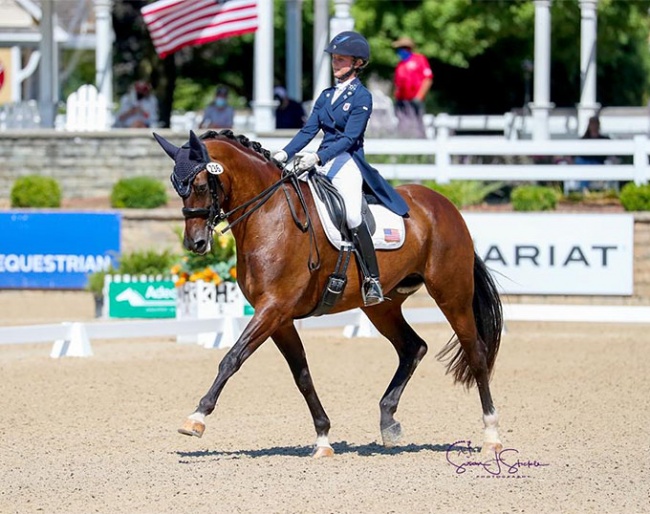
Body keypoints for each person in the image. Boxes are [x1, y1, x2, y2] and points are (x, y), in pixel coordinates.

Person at [272, 31, 409, 307]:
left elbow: (349, 138)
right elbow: (309, 130)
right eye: (334, 59)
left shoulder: (362, 97)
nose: (336, 64)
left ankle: (371, 279)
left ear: (357, 63)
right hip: (320, 160)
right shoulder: (325, 96)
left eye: (341, 59)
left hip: (347, 161)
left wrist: (318, 158)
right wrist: (284, 153)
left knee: (351, 214)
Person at [391, 36, 433, 138]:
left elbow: (427, 79)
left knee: (418, 124)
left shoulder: (420, 60)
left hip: (415, 100)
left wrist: (419, 96)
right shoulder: (400, 65)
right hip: (402, 100)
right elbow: (397, 84)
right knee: (402, 125)